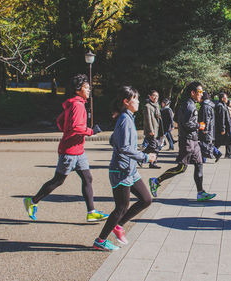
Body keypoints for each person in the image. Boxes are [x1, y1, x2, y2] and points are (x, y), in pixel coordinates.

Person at [23, 74, 108, 222]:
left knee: (87, 178)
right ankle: (32, 201)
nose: (89, 90)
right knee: (58, 181)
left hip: (77, 150)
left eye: (89, 88)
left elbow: (60, 120)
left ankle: (91, 212)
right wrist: (91, 131)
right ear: (78, 89)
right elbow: (76, 127)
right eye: (86, 87)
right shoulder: (77, 105)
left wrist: (67, 130)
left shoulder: (74, 104)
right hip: (69, 151)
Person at [93, 86, 157, 251]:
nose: (137, 101)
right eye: (135, 99)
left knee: (146, 199)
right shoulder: (125, 120)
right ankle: (100, 240)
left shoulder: (126, 118)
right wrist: (145, 157)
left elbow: (114, 141)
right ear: (126, 102)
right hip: (120, 171)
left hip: (130, 170)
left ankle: (118, 225)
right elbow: (124, 148)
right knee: (121, 207)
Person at [148, 82, 216, 201]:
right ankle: (156, 181)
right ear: (193, 93)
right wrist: (198, 125)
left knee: (199, 164)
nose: (202, 94)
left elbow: (178, 119)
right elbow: (186, 124)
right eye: (199, 92)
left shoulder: (190, 104)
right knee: (181, 168)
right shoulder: (189, 105)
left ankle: (200, 192)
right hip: (187, 141)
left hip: (194, 141)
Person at [199, 92, 222, 163]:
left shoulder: (205, 106)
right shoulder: (209, 105)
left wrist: (204, 129)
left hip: (206, 129)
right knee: (206, 143)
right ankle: (216, 153)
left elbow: (205, 119)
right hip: (210, 129)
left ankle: (205, 158)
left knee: (204, 144)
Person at [143, 90, 164, 168]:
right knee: (153, 147)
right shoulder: (147, 106)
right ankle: (140, 157)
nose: (156, 97)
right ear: (150, 96)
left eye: (157, 96)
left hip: (158, 129)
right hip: (151, 130)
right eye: (154, 95)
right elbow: (148, 119)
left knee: (155, 147)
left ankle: (152, 163)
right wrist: (151, 130)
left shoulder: (157, 105)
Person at [215, 93, 231, 159]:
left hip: (227, 127)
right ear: (222, 98)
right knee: (219, 142)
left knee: (229, 140)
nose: (227, 99)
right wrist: (222, 129)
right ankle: (211, 151)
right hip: (224, 127)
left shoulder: (224, 105)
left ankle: (228, 154)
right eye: (226, 98)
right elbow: (221, 118)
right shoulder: (220, 106)